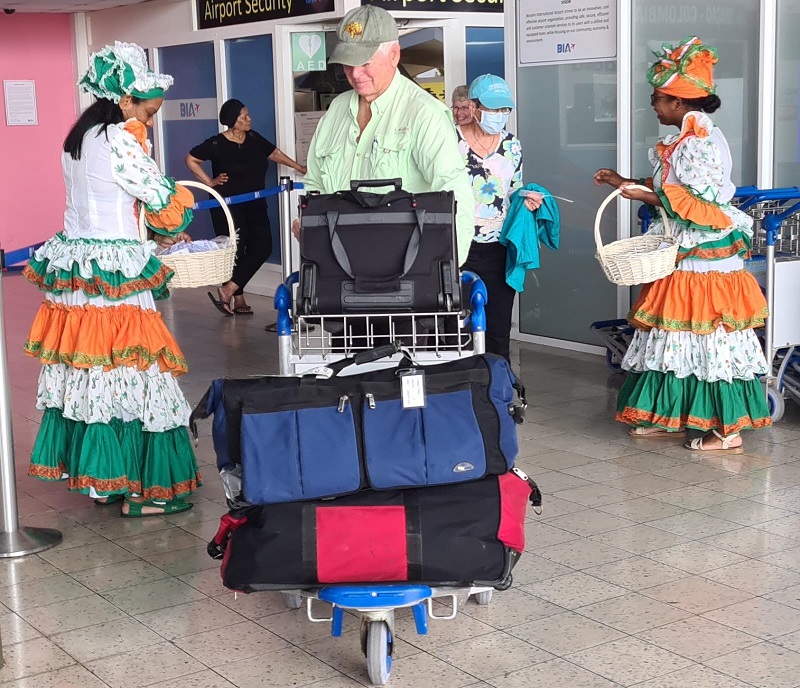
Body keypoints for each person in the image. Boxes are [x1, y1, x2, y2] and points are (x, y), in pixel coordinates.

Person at [22, 42, 201, 516]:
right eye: (149, 108)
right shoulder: (121, 139)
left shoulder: (77, 140)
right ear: (124, 101)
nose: (153, 117)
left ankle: (106, 480)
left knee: (90, 372)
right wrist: (169, 229)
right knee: (137, 369)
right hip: (116, 273)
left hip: (79, 270)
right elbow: (163, 202)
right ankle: (145, 491)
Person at [594, 37, 770, 452]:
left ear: (677, 102)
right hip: (684, 251)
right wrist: (626, 183)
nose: (653, 106)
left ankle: (727, 430)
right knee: (673, 337)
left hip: (705, 256)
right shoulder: (685, 140)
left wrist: (647, 197)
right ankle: (669, 416)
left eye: (657, 99)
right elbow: (676, 188)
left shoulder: (698, 144)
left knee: (708, 337)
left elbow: (700, 202)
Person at [297, 5, 474, 267]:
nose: (355, 74)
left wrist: (443, 270)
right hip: (337, 268)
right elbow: (315, 184)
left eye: (365, 62)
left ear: (394, 55)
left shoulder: (423, 113)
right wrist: (307, 225)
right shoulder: (335, 110)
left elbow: (454, 194)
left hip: (403, 274)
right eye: (348, 63)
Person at [186, 99, 306, 315]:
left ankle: (228, 289)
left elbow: (274, 153)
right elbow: (191, 159)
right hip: (228, 207)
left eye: (247, 115)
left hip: (256, 204)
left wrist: (299, 167)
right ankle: (238, 298)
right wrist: (210, 182)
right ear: (233, 122)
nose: (249, 119)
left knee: (263, 247)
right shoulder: (216, 144)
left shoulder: (252, 138)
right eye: (243, 117)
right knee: (236, 251)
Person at [457, 74, 543, 361]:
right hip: (457, 245)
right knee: (453, 324)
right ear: (473, 106)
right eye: (493, 109)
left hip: (499, 246)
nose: (499, 115)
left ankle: (496, 390)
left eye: (504, 109)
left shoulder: (511, 144)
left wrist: (527, 199)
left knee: (497, 324)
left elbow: (513, 189)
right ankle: (454, 387)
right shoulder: (449, 141)